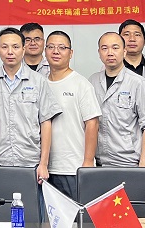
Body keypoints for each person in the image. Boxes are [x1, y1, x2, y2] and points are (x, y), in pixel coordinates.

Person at [0, 27, 60, 187]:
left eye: (15, 46)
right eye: (4, 47)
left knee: (31, 202)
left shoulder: (38, 81)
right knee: (1, 201)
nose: (10, 52)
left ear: (23, 49)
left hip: (30, 161)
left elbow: (46, 122)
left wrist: (43, 163)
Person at [41, 31, 100, 200]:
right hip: (45, 168)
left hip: (73, 167)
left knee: (76, 214)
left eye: (62, 47)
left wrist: (87, 162)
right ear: (45, 51)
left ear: (71, 53)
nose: (56, 51)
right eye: (51, 47)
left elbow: (92, 124)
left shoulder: (81, 84)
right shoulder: (40, 83)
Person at [89, 32, 145, 167]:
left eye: (115, 48)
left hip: (129, 163)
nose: (110, 53)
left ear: (124, 51)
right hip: (100, 162)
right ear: (99, 53)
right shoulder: (93, 81)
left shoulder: (138, 83)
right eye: (104, 48)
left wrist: (143, 165)